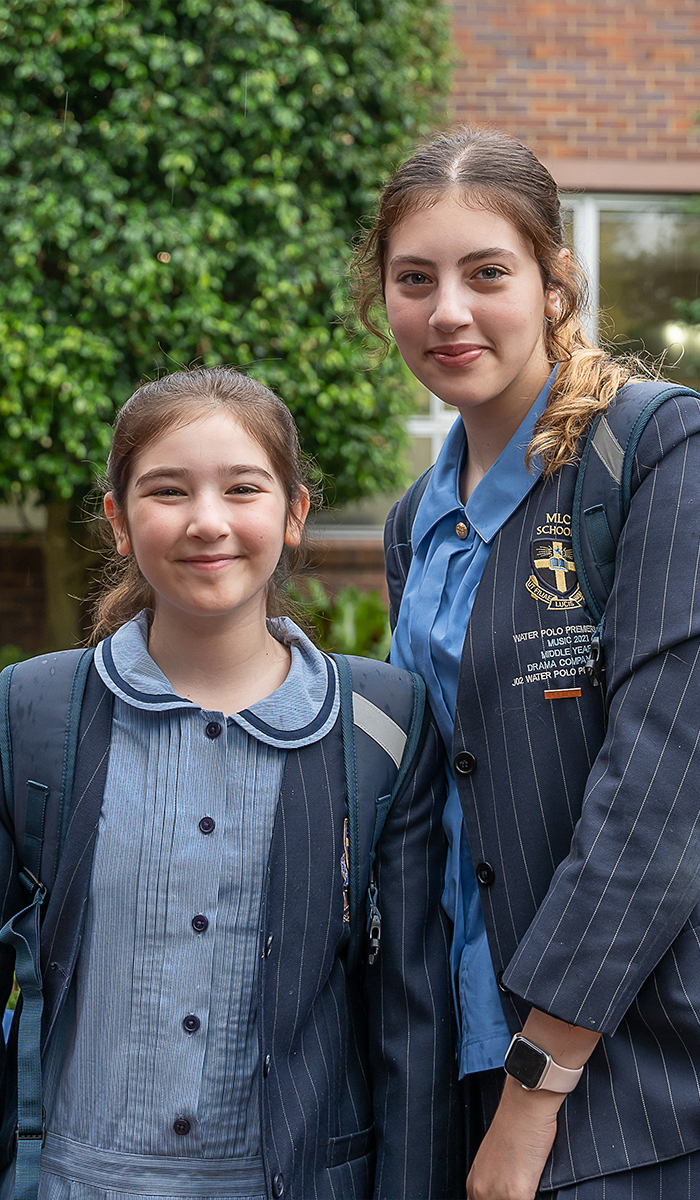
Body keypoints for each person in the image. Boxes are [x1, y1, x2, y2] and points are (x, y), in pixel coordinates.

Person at [0, 368, 462, 1200]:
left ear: (293, 513)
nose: (207, 521)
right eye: (167, 490)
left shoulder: (380, 722)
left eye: (243, 488)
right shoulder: (33, 710)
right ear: (118, 520)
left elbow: (412, 1018)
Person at [351, 125, 700, 1199]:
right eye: (416, 279)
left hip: (629, 1087)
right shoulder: (415, 523)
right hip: (460, 1055)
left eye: (486, 273)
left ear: (554, 285)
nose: (447, 311)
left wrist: (536, 1086)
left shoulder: (655, 450)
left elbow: (662, 786)